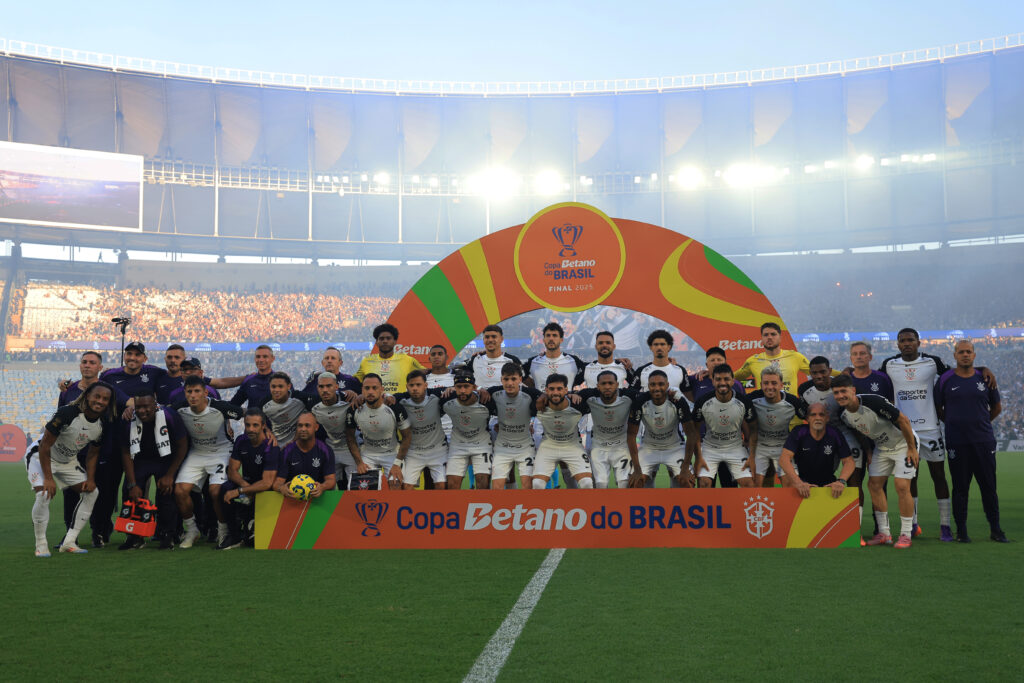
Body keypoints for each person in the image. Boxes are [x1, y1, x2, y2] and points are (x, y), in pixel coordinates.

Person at [880, 328, 954, 540]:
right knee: (910, 479)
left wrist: (982, 368)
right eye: (902, 341)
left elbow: (954, 374)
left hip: (931, 429)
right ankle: (913, 524)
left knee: (939, 476)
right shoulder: (889, 365)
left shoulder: (932, 362)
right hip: (905, 431)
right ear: (897, 344)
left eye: (910, 340)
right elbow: (870, 377)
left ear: (918, 342)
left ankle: (945, 525)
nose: (906, 344)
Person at [831, 374, 920, 549]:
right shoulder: (844, 414)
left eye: (843, 391)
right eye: (836, 393)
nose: (840, 395)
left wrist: (911, 447)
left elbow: (903, 420)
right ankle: (884, 534)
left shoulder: (874, 401)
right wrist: (869, 451)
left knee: (902, 486)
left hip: (903, 444)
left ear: (853, 390)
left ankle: (905, 534)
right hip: (882, 447)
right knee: (874, 485)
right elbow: (858, 432)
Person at [28, 382, 117, 556]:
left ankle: (69, 542)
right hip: (40, 456)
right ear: (87, 396)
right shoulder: (67, 413)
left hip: (67, 461)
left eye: (105, 399)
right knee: (44, 493)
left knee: (92, 492)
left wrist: (90, 479)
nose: (100, 401)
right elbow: (45, 445)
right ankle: (41, 544)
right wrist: (48, 478)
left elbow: (93, 453)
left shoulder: (102, 423)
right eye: (97, 396)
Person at [935, 340, 1007, 543]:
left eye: (969, 352)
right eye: (961, 352)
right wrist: (954, 423)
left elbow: (997, 408)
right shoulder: (945, 380)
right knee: (960, 489)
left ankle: (996, 530)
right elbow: (938, 408)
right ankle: (962, 532)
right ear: (955, 355)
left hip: (983, 441)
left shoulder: (984, 377)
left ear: (974, 355)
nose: (965, 355)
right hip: (957, 442)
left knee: (989, 488)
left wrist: (981, 423)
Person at [172, 375, 246, 549]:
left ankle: (223, 530)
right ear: (185, 393)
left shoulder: (219, 407)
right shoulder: (179, 408)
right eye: (189, 392)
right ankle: (192, 530)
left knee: (215, 491)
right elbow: (159, 411)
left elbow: (245, 413)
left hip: (221, 452)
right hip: (196, 453)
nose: (193, 395)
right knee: (180, 491)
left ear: (205, 392)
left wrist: (264, 428)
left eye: (197, 391)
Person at [800, 356, 869, 532]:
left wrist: (867, 449)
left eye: (823, 371)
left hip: (847, 435)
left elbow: (855, 418)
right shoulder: (804, 390)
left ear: (830, 371)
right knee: (819, 479)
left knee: (855, 482)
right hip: (823, 438)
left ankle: (856, 529)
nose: (819, 376)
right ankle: (819, 523)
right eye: (814, 373)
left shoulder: (839, 386)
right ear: (810, 374)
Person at [119, 390, 189, 550]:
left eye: (146, 406)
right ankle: (134, 536)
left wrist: (170, 475)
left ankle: (168, 535)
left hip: (165, 459)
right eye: (139, 407)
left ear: (155, 404)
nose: (142, 411)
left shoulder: (170, 416)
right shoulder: (128, 419)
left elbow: (182, 445)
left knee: (166, 493)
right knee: (129, 493)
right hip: (140, 460)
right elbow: (125, 451)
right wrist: (131, 484)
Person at [627, 370, 698, 488]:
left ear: (667, 385)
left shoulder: (677, 401)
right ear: (648, 386)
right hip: (649, 448)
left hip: (674, 447)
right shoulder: (640, 401)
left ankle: (676, 505)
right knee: (636, 483)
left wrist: (685, 468)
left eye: (661, 384)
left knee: (686, 482)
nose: (657, 388)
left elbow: (691, 434)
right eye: (652, 385)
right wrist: (637, 469)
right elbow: (631, 435)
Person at [223, 408, 280, 549]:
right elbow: (232, 471)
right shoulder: (241, 441)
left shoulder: (271, 446)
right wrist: (245, 488)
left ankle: (255, 525)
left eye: (255, 425)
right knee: (225, 488)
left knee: (254, 543)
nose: (250, 429)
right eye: (248, 425)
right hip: (249, 486)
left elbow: (267, 483)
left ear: (263, 426)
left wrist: (241, 491)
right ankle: (234, 534)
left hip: (267, 491)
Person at [689, 346, 745, 488]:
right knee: (705, 486)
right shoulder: (697, 380)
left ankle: (730, 510)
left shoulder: (736, 384)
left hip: (731, 444)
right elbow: (678, 379)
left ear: (726, 362)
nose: (716, 362)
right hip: (705, 445)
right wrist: (673, 363)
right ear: (706, 364)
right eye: (712, 360)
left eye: (719, 359)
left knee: (730, 487)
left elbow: (744, 411)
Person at [693, 364, 757, 488]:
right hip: (710, 448)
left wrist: (752, 455)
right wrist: (698, 457)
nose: (723, 383)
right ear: (713, 381)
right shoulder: (703, 402)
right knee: (704, 483)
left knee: (749, 485)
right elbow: (694, 430)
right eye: (718, 379)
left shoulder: (744, 401)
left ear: (733, 381)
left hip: (736, 448)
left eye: (726, 379)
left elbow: (754, 429)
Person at [345, 374, 412, 486]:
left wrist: (397, 463)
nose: (370, 391)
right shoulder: (354, 409)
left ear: (381, 389)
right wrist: (359, 462)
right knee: (364, 489)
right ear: (362, 390)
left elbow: (407, 437)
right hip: (368, 455)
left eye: (374, 388)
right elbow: (350, 438)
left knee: (395, 485)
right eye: (367, 388)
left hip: (391, 454)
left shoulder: (394, 407)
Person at [531, 373, 595, 489]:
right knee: (537, 484)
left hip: (573, 446)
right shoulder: (538, 405)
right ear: (546, 390)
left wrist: (575, 393)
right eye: (551, 389)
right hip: (548, 447)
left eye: (559, 389)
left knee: (586, 483)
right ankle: (544, 507)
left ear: (566, 390)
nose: (555, 392)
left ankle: (577, 505)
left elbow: (598, 391)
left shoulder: (578, 404)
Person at [779, 402, 855, 498]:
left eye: (821, 414)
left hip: (828, 484)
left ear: (827, 418)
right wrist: (798, 482)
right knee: (789, 482)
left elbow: (849, 461)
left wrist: (841, 481)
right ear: (807, 418)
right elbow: (784, 459)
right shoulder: (798, 432)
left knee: (839, 488)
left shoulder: (834, 433)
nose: (818, 418)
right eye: (813, 415)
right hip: (802, 482)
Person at [748, 365, 808, 488]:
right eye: (766, 383)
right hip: (760, 446)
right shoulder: (752, 398)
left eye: (774, 383)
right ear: (761, 384)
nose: (770, 387)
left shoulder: (792, 402)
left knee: (790, 486)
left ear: (781, 385)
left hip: (783, 446)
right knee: (754, 486)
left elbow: (811, 418)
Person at [390, 370, 449, 490]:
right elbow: (382, 397)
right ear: (407, 386)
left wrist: (452, 389)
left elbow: (462, 389)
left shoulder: (435, 396)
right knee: (407, 487)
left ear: (426, 385)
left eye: (418, 385)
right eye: (411, 385)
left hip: (438, 450)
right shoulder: (400, 400)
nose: (415, 388)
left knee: (441, 485)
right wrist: (386, 396)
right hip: (413, 452)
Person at [486, 363, 542, 490]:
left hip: (525, 447)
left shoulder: (530, 394)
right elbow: (476, 395)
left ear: (520, 380)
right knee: (496, 487)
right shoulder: (494, 393)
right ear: (501, 379)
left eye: (513, 379)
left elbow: (546, 397)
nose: (510, 383)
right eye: (506, 379)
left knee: (528, 485)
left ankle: (527, 509)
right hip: (502, 448)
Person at [576, 370, 635, 488]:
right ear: (598, 386)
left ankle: (621, 506)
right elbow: (567, 397)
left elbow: (649, 395)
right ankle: (601, 507)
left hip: (621, 447)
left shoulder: (628, 397)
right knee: (601, 484)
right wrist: (572, 394)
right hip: (599, 447)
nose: (607, 386)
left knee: (624, 484)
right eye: (603, 384)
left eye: (610, 383)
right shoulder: (589, 398)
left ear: (617, 384)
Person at [441, 369, 494, 490]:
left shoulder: (486, 400)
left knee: (482, 483)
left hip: (481, 445)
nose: (463, 390)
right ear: (454, 387)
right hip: (458, 445)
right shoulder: (447, 398)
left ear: (474, 387)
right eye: (459, 387)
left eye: (466, 386)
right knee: (452, 485)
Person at [734, 322, 812, 393]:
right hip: (763, 407)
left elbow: (817, 373)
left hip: (790, 406)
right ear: (762, 338)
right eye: (766, 335)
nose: (769, 337)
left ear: (780, 337)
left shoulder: (795, 356)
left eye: (773, 334)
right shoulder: (752, 361)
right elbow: (732, 378)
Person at [274, 412, 337, 498]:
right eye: (300, 425)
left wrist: (322, 487)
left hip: (318, 499)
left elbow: (331, 480)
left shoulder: (325, 450)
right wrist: (282, 488)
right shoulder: (286, 451)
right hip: (293, 499)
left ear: (316, 427)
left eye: (307, 425)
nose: (303, 429)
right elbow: (278, 482)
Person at [310, 372, 355, 489]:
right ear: (317, 388)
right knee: (330, 488)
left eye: (329, 386)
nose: (325, 390)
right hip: (331, 451)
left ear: (336, 386)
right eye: (321, 386)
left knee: (356, 486)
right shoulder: (314, 408)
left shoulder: (350, 400)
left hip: (351, 450)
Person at [354, 323, 425, 393]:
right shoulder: (367, 361)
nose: (385, 341)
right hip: (375, 404)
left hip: (398, 403)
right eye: (381, 339)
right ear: (377, 342)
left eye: (388, 338)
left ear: (395, 342)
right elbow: (354, 381)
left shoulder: (408, 360)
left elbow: (427, 372)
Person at [522, 322, 587, 389]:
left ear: (561, 339)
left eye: (555, 335)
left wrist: (573, 386)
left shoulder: (573, 361)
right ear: (544, 339)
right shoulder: (533, 361)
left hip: (566, 399)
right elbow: (520, 375)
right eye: (548, 335)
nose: (551, 338)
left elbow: (587, 372)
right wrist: (536, 391)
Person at [262, 371, 317, 447]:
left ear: (288, 386)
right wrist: (266, 430)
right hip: (276, 445)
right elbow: (255, 417)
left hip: (298, 445)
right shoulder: (264, 403)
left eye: (280, 386)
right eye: (273, 387)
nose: (276, 390)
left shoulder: (299, 398)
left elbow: (318, 402)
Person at [631, 330, 691, 396]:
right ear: (651, 347)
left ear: (669, 347)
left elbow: (688, 395)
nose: (659, 347)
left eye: (662, 344)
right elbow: (631, 394)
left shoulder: (680, 370)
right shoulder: (641, 371)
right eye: (656, 344)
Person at [230, 345, 278, 409]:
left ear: (273, 359)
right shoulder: (249, 381)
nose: (261, 360)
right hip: (252, 418)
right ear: (255, 359)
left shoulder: (280, 380)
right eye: (258, 357)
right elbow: (234, 404)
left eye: (265, 356)